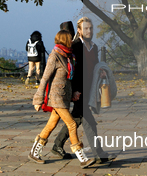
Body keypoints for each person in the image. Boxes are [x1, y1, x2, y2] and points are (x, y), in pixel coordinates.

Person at [51, 17, 113, 163]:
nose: (89, 31)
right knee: (89, 121)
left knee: (77, 118)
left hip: (89, 88)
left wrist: (101, 72)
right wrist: (73, 91)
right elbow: (71, 71)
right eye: (86, 28)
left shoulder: (94, 47)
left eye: (91, 28)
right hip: (78, 90)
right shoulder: (76, 46)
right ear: (79, 31)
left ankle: (57, 145)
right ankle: (99, 154)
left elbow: (95, 65)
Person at [30, 30, 94, 168]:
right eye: (69, 39)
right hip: (56, 97)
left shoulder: (68, 56)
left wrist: (73, 93)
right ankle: (81, 157)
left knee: (51, 125)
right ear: (64, 39)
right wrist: (38, 99)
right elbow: (45, 78)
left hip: (64, 97)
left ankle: (34, 152)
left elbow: (67, 79)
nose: (71, 41)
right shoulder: (55, 56)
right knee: (71, 124)